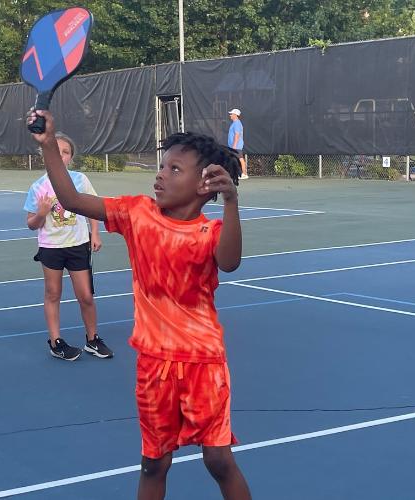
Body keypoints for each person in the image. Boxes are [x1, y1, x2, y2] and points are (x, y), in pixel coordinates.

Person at [28, 109, 251, 500]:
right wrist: (48, 145)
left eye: (175, 169)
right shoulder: (137, 213)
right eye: (162, 166)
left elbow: (230, 262)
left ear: (205, 185)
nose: (161, 174)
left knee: (218, 460)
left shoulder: (211, 231)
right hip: (154, 363)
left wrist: (231, 202)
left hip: (203, 364)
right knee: (154, 463)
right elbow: (72, 198)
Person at [24, 132, 113, 361]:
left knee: (85, 295)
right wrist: (42, 213)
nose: (60, 156)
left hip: (78, 245)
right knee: (53, 293)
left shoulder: (80, 180)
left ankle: (92, 339)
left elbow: (94, 208)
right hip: (51, 248)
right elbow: (32, 224)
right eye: (56, 152)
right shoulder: (38, 187)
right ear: (46, 156)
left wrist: (95, 233)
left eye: (65, 152)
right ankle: (56, 342)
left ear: (70, 158)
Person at [228, 109, 248, 180]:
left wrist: (234, 146)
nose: (230, 115)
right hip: (234, 146)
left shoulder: (237, 123)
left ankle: (244, 174)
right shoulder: (234, 123)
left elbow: (237, 135)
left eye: (231, 114)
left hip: (236, 146)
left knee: (240, 159)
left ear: (236, 115)